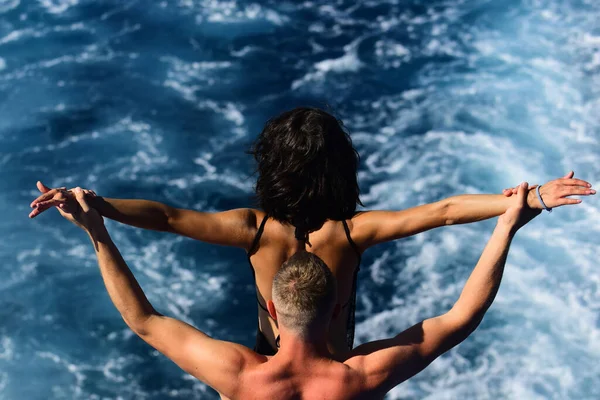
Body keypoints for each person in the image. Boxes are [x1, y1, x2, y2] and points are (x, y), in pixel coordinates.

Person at [28, 107, 595, 356]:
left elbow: (167, 217)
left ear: (270, 169)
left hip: (266, 361)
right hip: (338, 367)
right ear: (343, 170)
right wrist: (533, 199)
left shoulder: (252, 230)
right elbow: (445, 210)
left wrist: (96, 205)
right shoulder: (352, 233)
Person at [57, 182, 540, 399]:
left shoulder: (240, 377)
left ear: (271, 307)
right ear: (336, 312)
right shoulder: (361, 379)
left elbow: (144, 321)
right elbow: (460, 318)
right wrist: (506, 226)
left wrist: (97, 231)